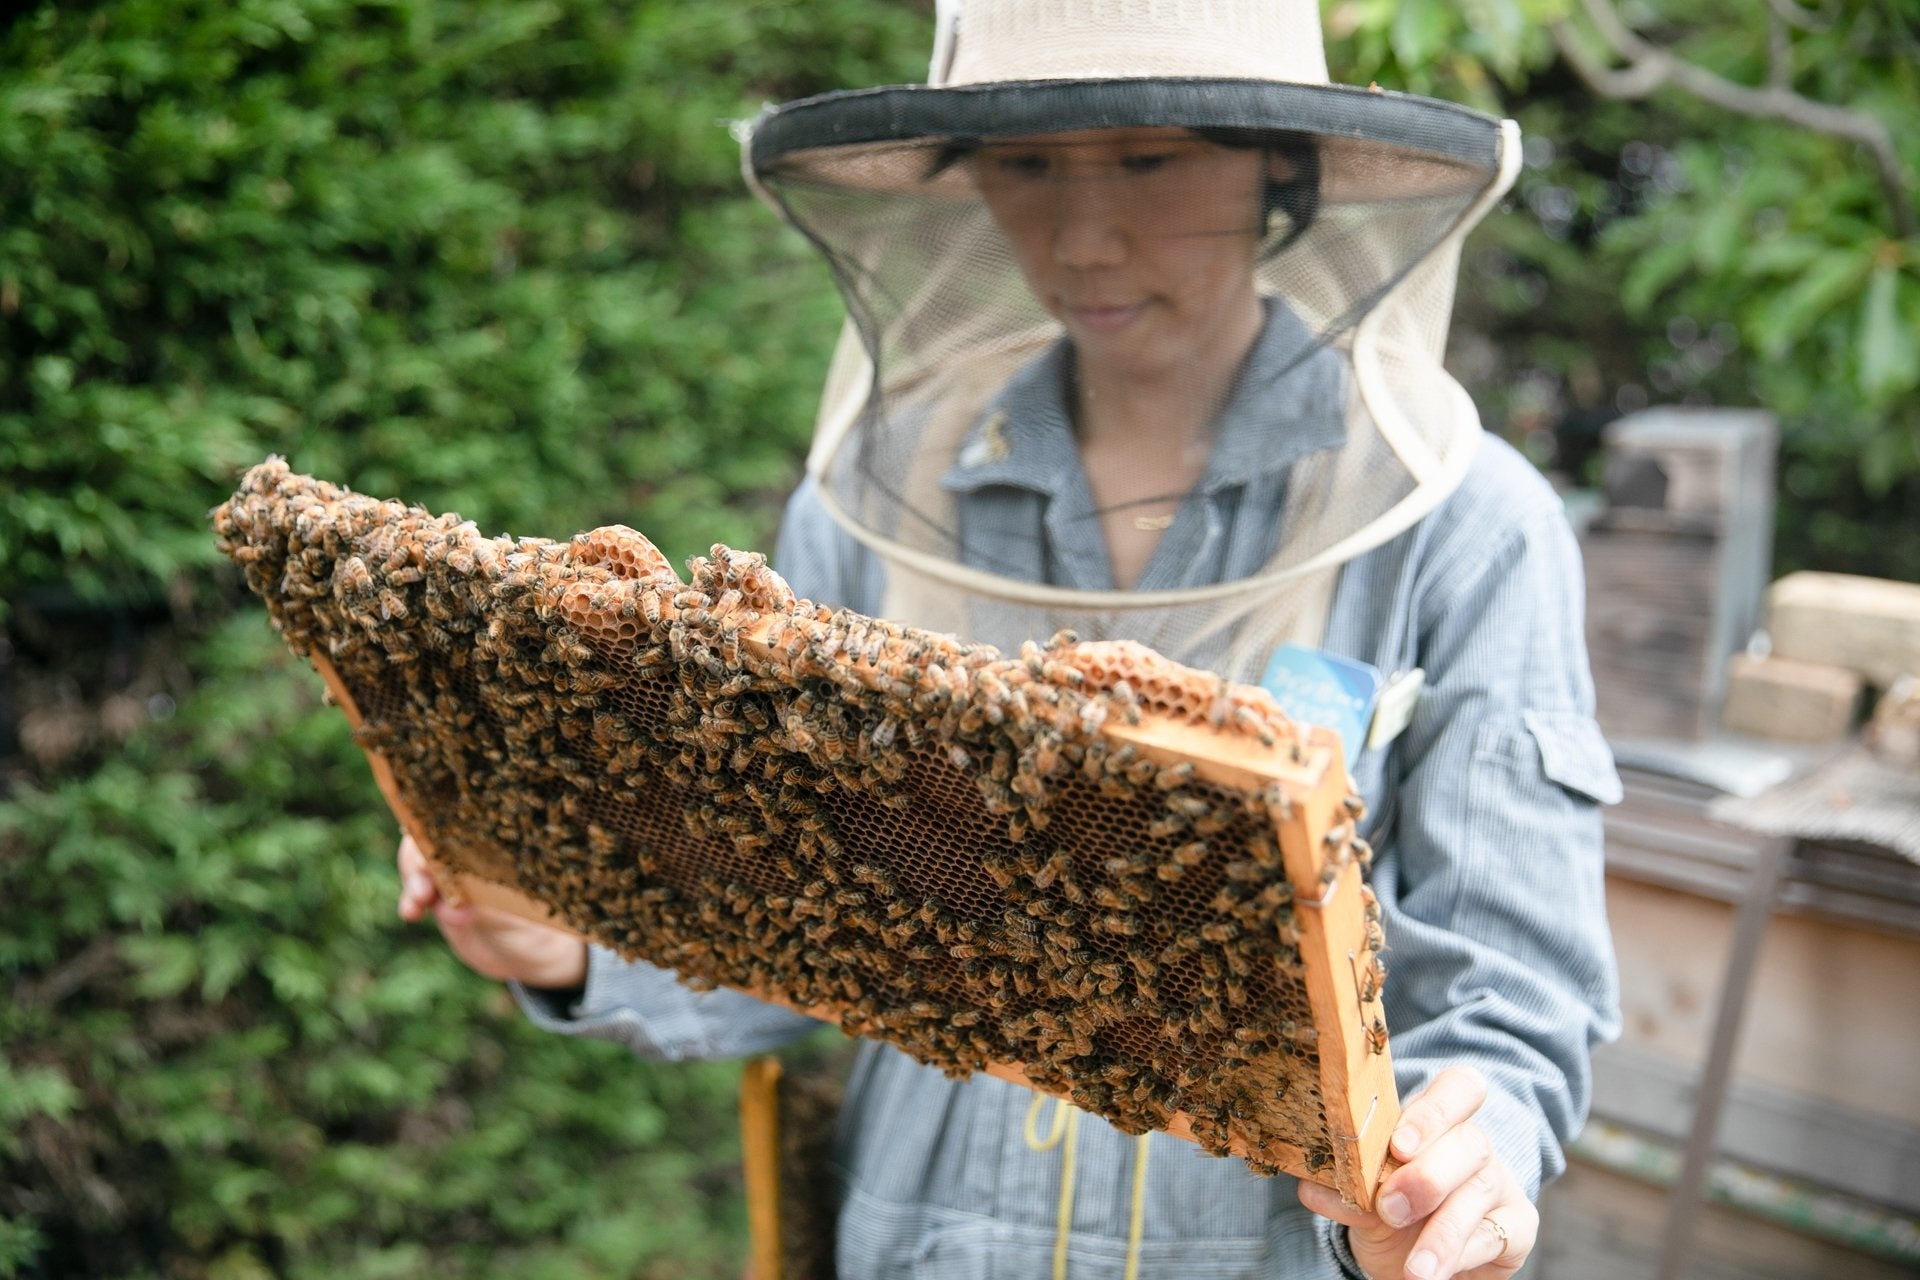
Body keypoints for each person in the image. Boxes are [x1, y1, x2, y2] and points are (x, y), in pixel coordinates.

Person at [399, 2, 1620, 1277]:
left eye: (1148, 160)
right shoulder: (876, 501)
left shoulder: (1470, 529)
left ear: (1280, 164)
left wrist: (1452, 1177)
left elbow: (1507, 1003)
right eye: (1027, 164)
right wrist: (573, 942)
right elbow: (804, 923)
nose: (1082, 236)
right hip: (915, 1239)